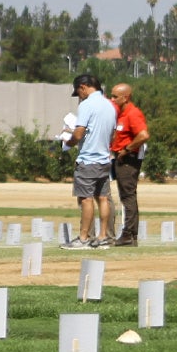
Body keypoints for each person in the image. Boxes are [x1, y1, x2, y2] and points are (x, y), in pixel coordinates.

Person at [62, 74, 117, 249]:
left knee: (86, 199)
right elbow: (112, 134)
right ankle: (102, 237)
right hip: (104, 159)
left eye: (78, 92)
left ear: (83, 87)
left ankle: (84, 238)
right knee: (103, 198)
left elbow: (78, 134)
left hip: (88, 159)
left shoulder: (86, 105)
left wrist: (68, 142)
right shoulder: (110, 105)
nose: (79, 96)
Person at [109, 83, 150, 246]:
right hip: (121, 159)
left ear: (125, 97)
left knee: (128, 196)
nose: (112, 99)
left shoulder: (133, 113)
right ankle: (130, 234)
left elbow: (143, 135)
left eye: (114, 96)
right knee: (126, 196)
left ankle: (129, 233)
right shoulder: (122, 113)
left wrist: (126, 149)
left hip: (128, 160)